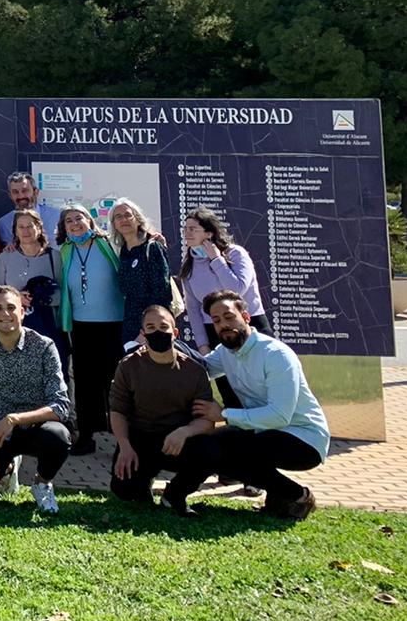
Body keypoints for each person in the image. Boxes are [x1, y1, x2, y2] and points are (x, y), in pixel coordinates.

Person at [164, 291, 330, 520]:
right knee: (209, 445)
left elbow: (279, 416)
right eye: (217, 320)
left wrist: (222, 414)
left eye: (229, 316)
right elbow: (199, 370)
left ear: (246, 317)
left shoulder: (276, 355)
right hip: (263, 432)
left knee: (235, 454)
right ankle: (172, 496)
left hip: (303, 438)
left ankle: (299, 496)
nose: (223, 324)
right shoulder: (226, 352)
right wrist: (164, 344)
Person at [0, 286, 72, 513]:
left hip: (34, 429)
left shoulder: (44, 346)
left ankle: (41, 482)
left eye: (11, 308)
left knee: (58, 437)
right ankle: (7, 468)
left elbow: (61, 405)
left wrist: (14, 419)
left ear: (22, 311)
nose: (5, 314)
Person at [108, 305, 216, 511]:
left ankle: (175, 494)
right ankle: (142, 483)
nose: (157, 332)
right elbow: (117, 411)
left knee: (210, 451)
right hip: (141, 438)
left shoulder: (195, 371)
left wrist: (185, 431)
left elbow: (206, 421)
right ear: (143, 334)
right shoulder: (128, 366)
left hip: (178, 440)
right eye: (150, 327)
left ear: (175, 332)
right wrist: (124, 445)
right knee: (124, 490)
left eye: (163, 326)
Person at [57, 204, 124, 455]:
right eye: (69, 221)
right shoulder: (64, 251)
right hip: (81, 326)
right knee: (86, 385)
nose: (74, 224)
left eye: (79, 218)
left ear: (90, 220)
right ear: (63, 228)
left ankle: (121, 439)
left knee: (115, 384)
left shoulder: (109, 245)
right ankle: (86, 436)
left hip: (114, 325)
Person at [179, 207, 269, 355]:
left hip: (249, 324)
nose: (187, 233)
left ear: (209, 233)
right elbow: (193, 308)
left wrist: (216, 260)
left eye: (193, 229)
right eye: (186, 228)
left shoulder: (235, 254)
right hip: (214, 330)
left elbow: (237, 290)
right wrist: (202, 344)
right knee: (225, 378)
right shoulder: (189, 264)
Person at [0, 210, 68, 370]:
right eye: (21, 227)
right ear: (15, 230)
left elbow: (62, 293)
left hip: (48, 327)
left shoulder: (54, 256)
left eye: (30, 226)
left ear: (39, 228)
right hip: (14, 328)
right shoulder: (5, 257)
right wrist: (16, 298)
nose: (26, 231)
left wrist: (39, 296)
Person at [109, 198, 173, 342]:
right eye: (118, 217)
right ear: (114, 224)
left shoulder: (152, 247)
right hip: (130, 324)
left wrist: (148, 329)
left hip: (153, 327)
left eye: (128, 215)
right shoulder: (124, 252)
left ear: (138, 219)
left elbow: (161, 291)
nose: (123, 219)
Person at [0, 172, 62, 251]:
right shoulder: (3, 224)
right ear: (10, 196)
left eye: (25, 190)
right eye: (15, 192)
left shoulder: (57, 216)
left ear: (36, 192)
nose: (21, 196)